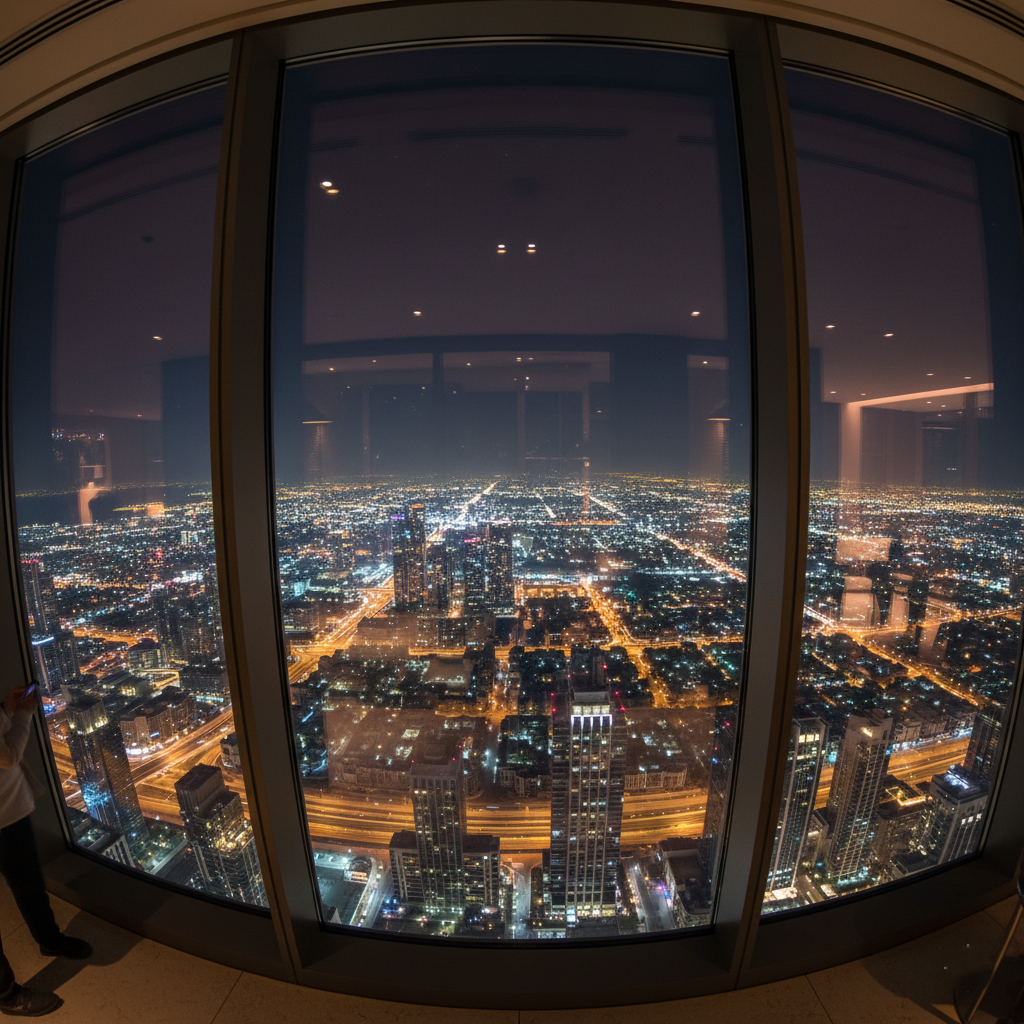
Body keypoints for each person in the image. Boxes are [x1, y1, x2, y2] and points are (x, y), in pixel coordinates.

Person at [0, 682, 91, 1016]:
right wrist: (22, 715)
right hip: (6, 810)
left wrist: (6, 709)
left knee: (29, 884)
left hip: (10, 812)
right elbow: (7, 757)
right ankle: (7, 994)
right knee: (27, 883)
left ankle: (50, 939)